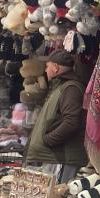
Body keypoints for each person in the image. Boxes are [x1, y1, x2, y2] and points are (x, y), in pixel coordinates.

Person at [25, 50, 87, 182]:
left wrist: (48, 140)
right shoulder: (61, 87)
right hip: (56, 157)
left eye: (47, 66)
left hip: (62, 158)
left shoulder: (71, 89)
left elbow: (71, 122)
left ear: (55, 67)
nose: (45, 70)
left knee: (59, 192)